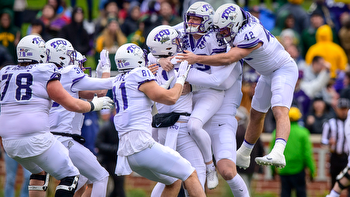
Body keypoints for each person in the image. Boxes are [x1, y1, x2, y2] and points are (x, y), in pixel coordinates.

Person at [177, 3, 298, 169]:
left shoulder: (250, 32)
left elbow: (229, 58)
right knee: (256, 114)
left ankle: (279, 151)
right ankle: (244, 154)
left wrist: (196, 58)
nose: (222, 33)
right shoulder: (237, 22)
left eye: (225, 30)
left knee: (279, 109)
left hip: (283, 69)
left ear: (235, 24)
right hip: (266, 73)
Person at [0, 35, 113, 197]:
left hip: (9, 141)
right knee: (72, 176)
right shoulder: (48, 71)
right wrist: (94, 104)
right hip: (44, 137)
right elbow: (73, 103)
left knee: (39, 174)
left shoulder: (5, 72)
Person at [113, 43, 205, 197]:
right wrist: (181, 78)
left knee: (173, 181)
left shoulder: (119, 80)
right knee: (190, 173)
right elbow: (171, 98)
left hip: (127, 152)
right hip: (142, 145)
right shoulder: (140, 73)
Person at [46, 38, 114, 197]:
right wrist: (105, 69)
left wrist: (99, 75)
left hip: (53, 137)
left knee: (82, 181)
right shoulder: (69, 73)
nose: (82, 68)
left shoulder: (50, 77)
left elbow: (92, 92)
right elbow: (102, 90)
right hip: (64, 139)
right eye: (79, 65)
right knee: (101, 176)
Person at [271, 106, 316, 197]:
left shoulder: (277, 132)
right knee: (301, 193)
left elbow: (271, 152)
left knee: (285, 194)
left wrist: (273, 171)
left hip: (283, 170)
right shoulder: (303, 133)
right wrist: (312, 171)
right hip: (299, 170)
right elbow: (307, 154)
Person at [322, 98, 350, 196]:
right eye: (341, 109)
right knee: (334, 182)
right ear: (336, 109)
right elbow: (323, 140)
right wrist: (329, 142)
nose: (343, 111)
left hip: (347, 157)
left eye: (345, 109)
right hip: (335, 156)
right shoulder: (330, 123)